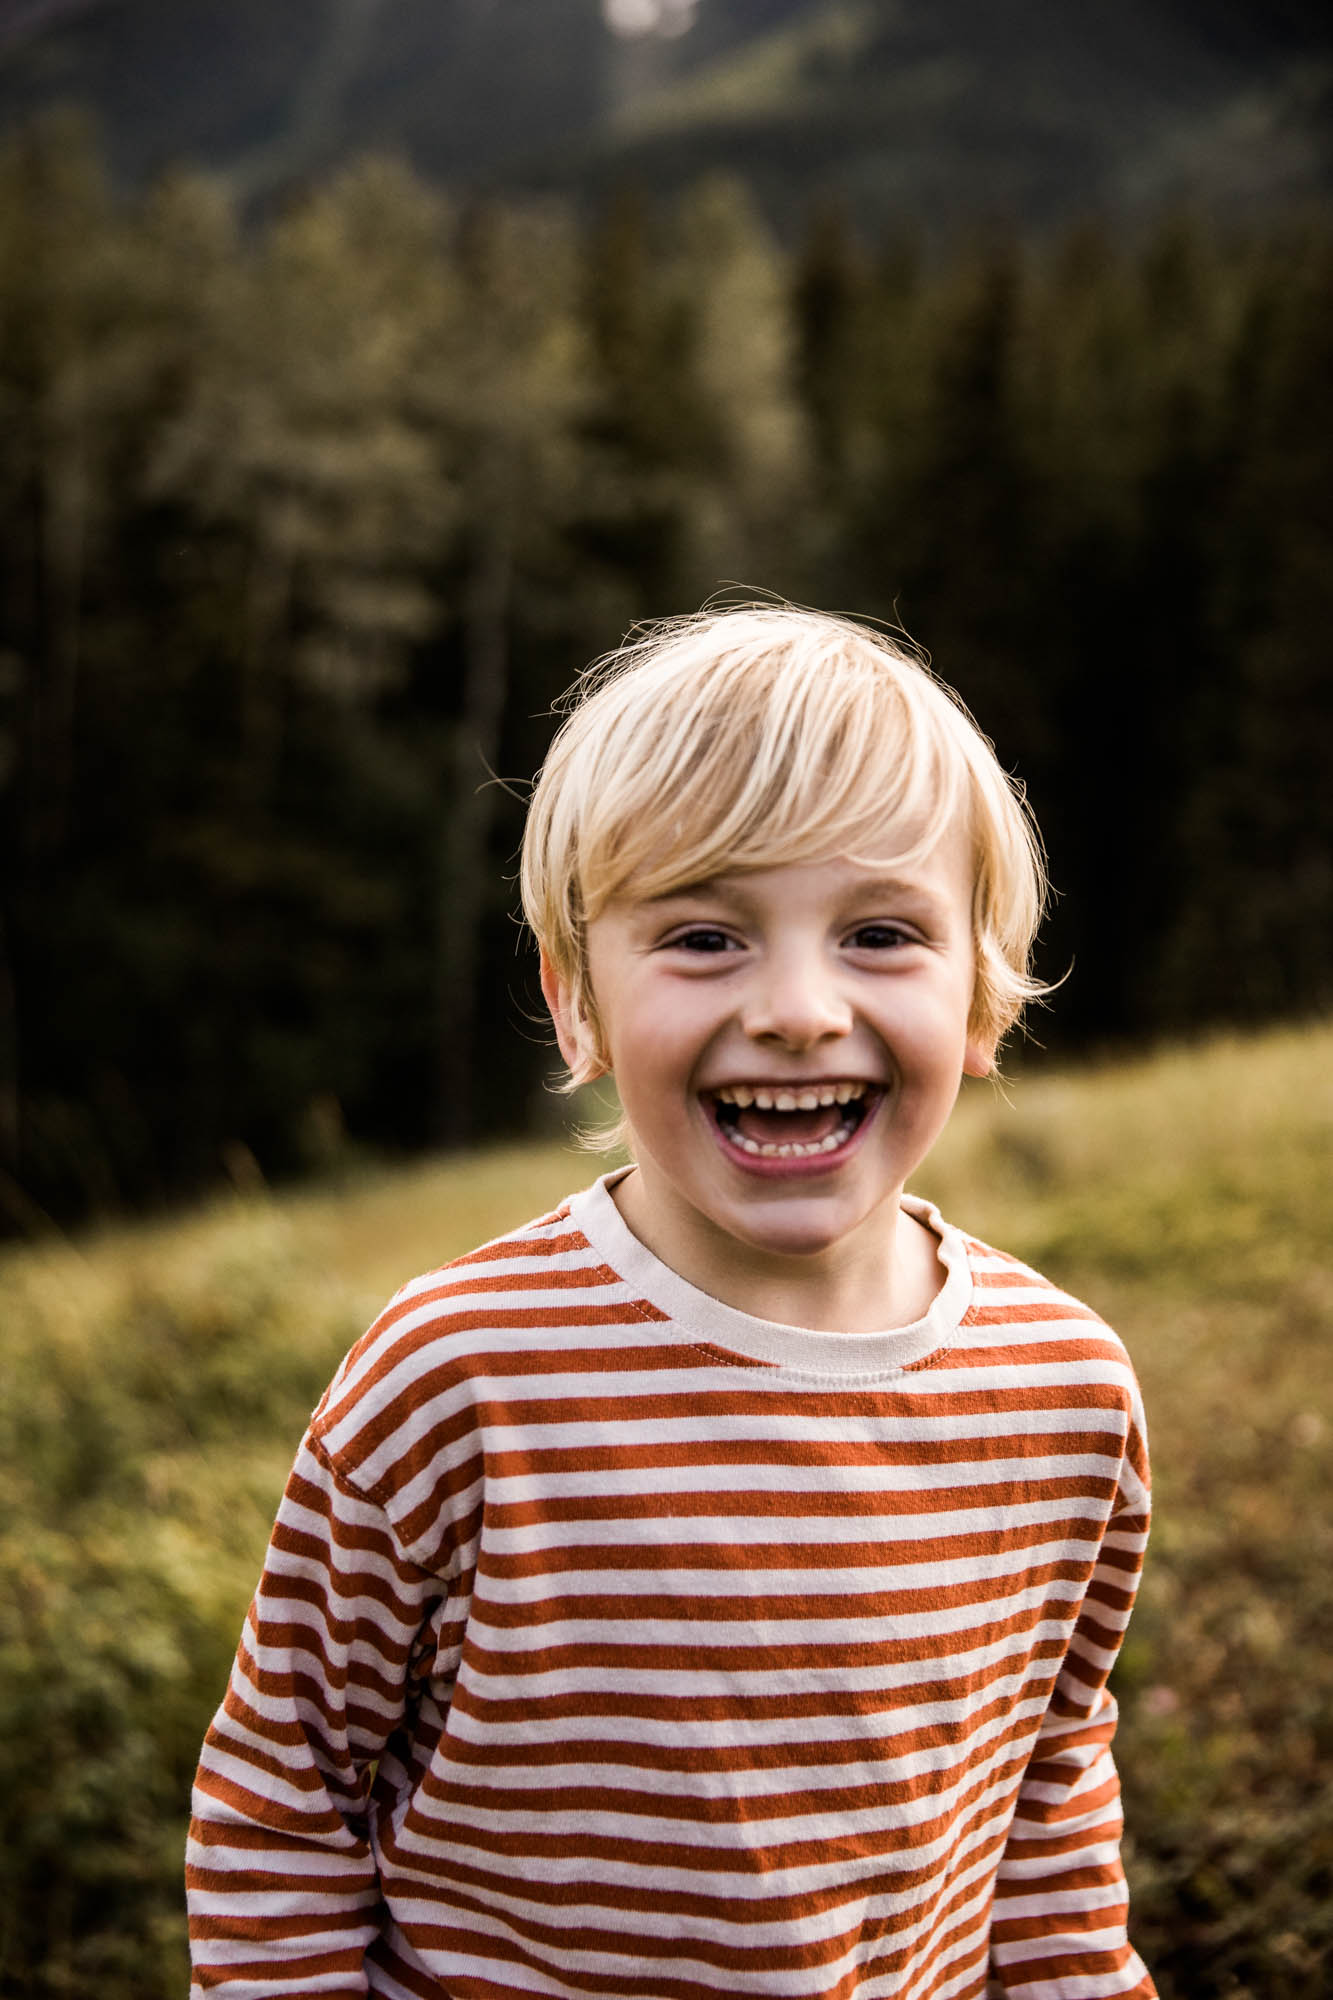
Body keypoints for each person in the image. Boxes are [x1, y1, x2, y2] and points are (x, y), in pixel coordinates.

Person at [187, 605, 1155, 1999]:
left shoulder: (1064, 1391)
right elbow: (282, 1803)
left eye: (880, 933)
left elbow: (1047, 1790)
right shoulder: (457, 1380)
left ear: (981, 1001)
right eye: (704, 938)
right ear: (575, 1002)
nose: (799, 1010)